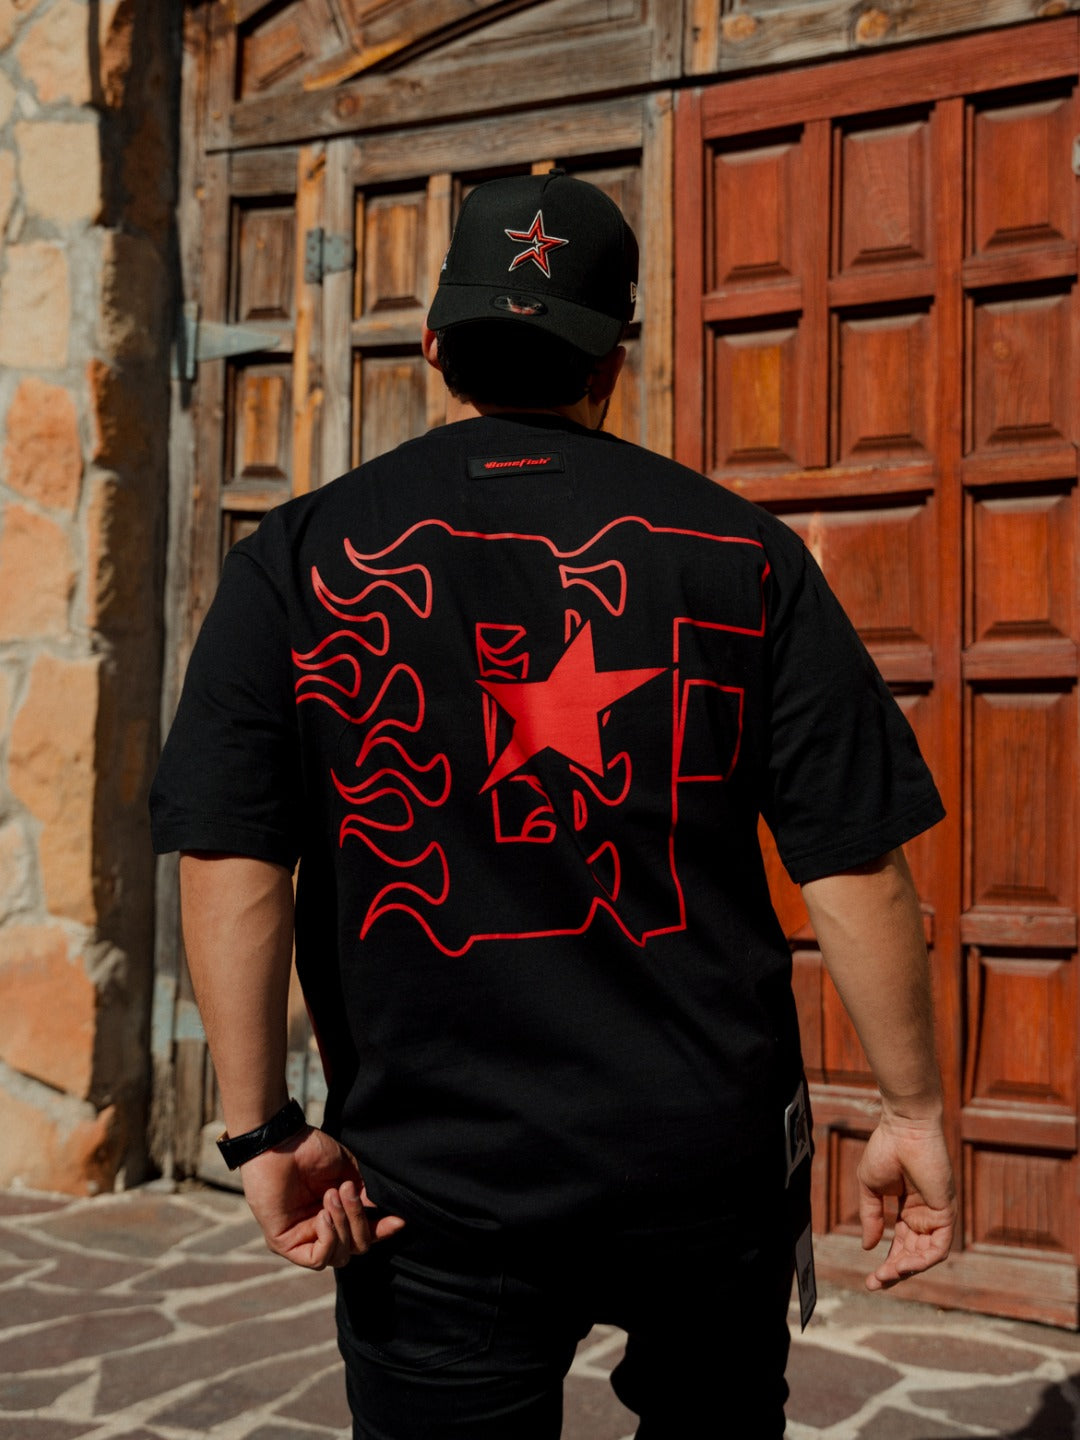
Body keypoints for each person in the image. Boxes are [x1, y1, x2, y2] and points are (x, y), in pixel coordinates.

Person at [151, 169, 956, 1438]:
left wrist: (260, 1133)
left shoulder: (296, 563)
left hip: (434, 1174)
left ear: (433, 346)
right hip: (703, 1163)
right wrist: (912, 1112)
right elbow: (854, 862)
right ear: (612, 363)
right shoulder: (740, 554)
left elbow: (230, 853)